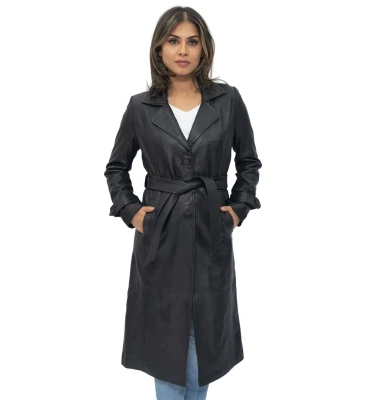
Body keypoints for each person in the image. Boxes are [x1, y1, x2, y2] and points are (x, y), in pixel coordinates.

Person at [104, 6, 262, 400]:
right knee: (165, 339)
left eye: (192, 41)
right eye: (173, 41)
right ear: (159, 48)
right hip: (161, 233)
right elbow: (116, 167)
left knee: (202, 337)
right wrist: (132, 212)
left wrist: (237, 210)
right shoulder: (141, 107)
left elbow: (249, 163)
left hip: (211, 230)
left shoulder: (227, 100)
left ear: (204, 48)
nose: (183, 50)